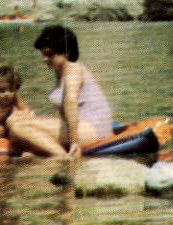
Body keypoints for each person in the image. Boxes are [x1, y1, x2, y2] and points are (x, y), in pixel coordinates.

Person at [6, 24, 114, 158]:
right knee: (13, 120)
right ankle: (40, 150)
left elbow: (70, 102)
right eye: (44, 54)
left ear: (67, 52)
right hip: (81, 125)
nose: (45, 59)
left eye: (50, 55)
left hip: (93, 128)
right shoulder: (62, 70)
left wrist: (74, 142)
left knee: (18, 129)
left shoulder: (73, 70)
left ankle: (63, 157)